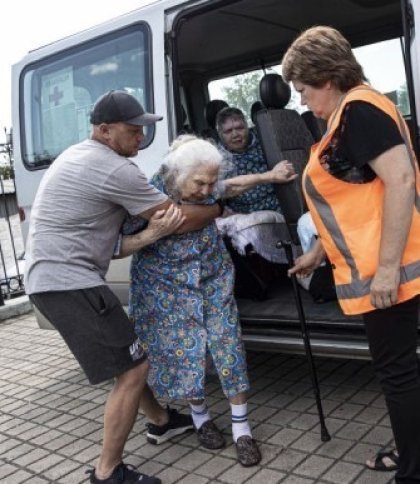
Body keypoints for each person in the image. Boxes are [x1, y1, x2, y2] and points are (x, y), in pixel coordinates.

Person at [25, 90, 227, 484]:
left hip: (58, 280)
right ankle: (107, 471)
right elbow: (179, 217)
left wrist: (149, 236)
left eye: (143, 129)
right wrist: (218, 206)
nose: (141, 138)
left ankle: (162, 421)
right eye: (133, 131)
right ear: (104, 130)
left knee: (130, 356)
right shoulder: (113, 169)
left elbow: (112, 244)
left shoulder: (77, 155)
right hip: (70, 283)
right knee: (134, 368)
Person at [283, 26, 420, 483]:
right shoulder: (353, 112)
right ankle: (411, 450)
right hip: (388, 262)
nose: (302, 101)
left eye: (302, 90)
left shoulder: (357, 111)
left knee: (398, 374)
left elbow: (400, 182)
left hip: (391, 271)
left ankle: (412, 469)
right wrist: (319, 251)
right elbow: (361, 194)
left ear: (326, 77)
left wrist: (385, 271)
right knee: (406, 370)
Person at [122, 134, 296, 466]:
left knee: (228, 344)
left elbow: (228, 187)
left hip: (212, 278)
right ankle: (201, 419)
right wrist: (153, 234)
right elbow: (119, 236)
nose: (206, 190)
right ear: (175, 174)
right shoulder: (148, 193)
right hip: (165, 285)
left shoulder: (207, 182)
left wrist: (269, 176)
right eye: (200, 183)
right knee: (190, 351)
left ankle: (242, 428)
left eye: (210, 182)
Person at [216, 106, 281, 214]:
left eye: (240, 128)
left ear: (247, 126)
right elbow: (221, 191)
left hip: (279, 206)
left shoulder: (265, 141)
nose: (235, 134)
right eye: (228, 131)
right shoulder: (216, 158)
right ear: (220, 135)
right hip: (244, 216)